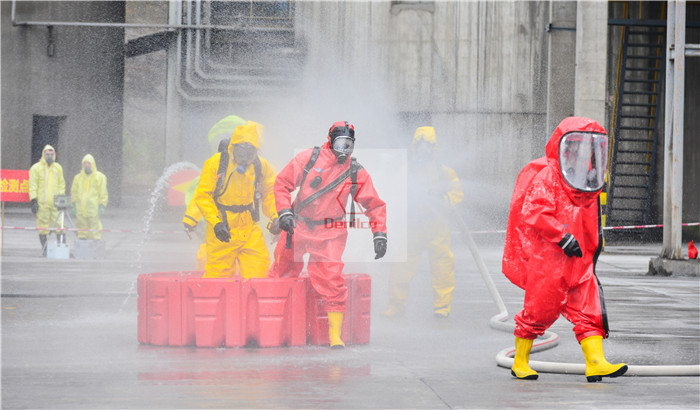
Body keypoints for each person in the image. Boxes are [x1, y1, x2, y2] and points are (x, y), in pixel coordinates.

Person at [502, 116, 628, 382]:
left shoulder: (586, 180)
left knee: (588, 309)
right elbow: (535, 212)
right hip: (549, 260)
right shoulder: (549, 176)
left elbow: (591, 223)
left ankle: (596, 362)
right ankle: (521, 362)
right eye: (577, 145)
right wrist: (561, 237)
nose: (584, 151)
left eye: (590, 146)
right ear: (563, 145)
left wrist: (589, 248)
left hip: (578, 260)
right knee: (538, 311)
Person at [269, 121, 388, 349]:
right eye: (341, 143)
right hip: (298, 227)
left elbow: (374, 205)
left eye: (349, 145)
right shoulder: (308, 159)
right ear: (330, 141)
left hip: (330, 233)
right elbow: (282, 183)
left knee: (332, 281)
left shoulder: (355, 171)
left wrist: (379, 234)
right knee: (282, 272)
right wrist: (285, 212)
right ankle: (277, 326)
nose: (345, 149)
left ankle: (335, 337)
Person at [382, 126, 464, 318]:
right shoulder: (405, 170)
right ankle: (396, 305)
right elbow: (393, 194)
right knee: (401, 267)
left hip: (437, 225)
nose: (424, 150)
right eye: (420, 145)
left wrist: (442, 198)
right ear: (414, 146)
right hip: (412, 225)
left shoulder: (444, 172)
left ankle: (442, 308)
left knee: (442, 266)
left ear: (434, 148)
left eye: (428, 146)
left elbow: (457, 194)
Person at [193, 122, 279, 279]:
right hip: (222, 226)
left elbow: (269, 194)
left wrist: (275, 217)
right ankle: (217, 303)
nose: (245, 157)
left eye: (250, 152)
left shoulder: (261, 166)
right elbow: (203, 195)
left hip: (249, 226)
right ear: (233, 147)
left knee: (259, 273)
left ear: (256, 151)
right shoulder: (216, 164)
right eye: (241, 152)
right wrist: (216, 223)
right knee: (217, 277)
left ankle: (253, 303)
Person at [28, 145, 66, 255]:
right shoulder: (36, 168)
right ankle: (45, 250)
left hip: (55, 203)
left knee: (60, 225)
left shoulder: (58, 168)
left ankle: (62, 249)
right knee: (42, 227)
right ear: (43, 154)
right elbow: (33, 185)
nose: (49, 156)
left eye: (51, 154)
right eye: (47, 154)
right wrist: (33, 200)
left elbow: (61, 184)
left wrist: (61, 199)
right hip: (42, 204)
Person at [70, 154, 108, 240]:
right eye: (85, 163)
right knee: (82, 231)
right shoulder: (78, 178)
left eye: (89, 163)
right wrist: (73, 204)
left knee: (94, 230)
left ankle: (95, 249)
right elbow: (74, 192)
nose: (87, 165)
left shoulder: (100, 177)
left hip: (93, 209)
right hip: (80, 210)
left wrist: (102, 205)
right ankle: (84, 250)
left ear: (93, 164)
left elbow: (103, 192)